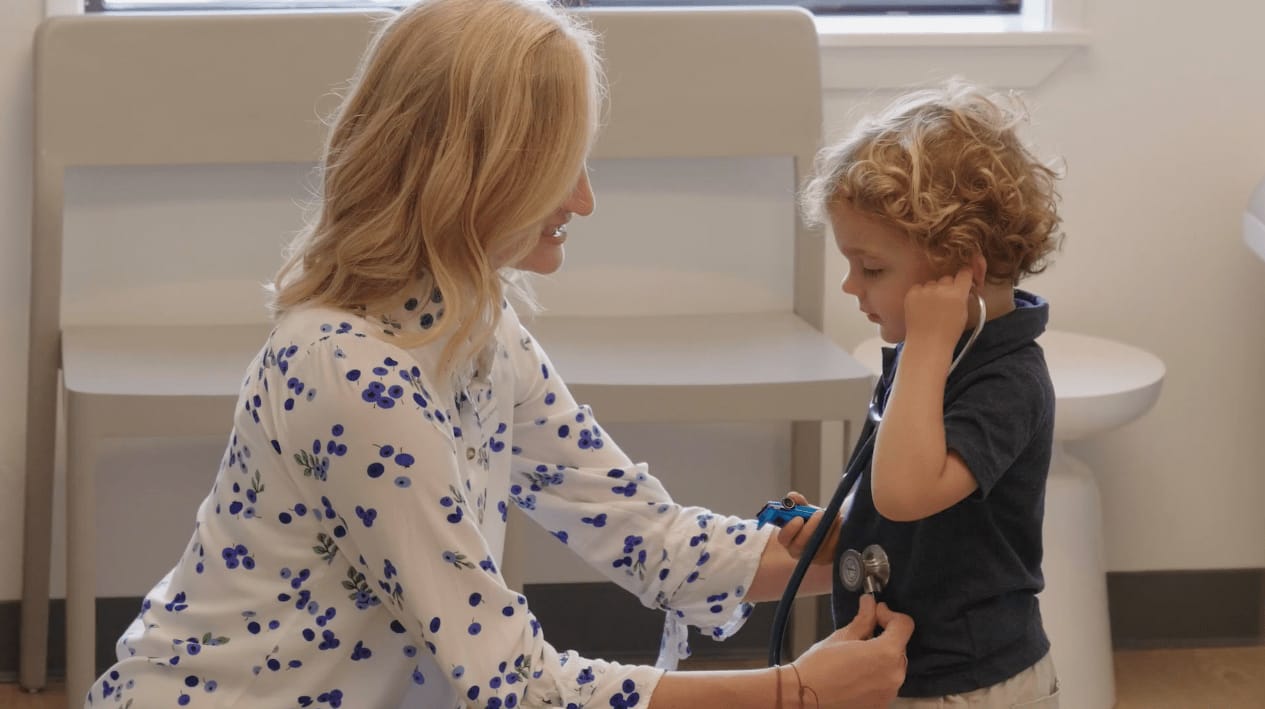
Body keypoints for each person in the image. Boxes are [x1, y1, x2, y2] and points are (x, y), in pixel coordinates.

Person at [85, 1, 913, 707]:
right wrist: (792, 691)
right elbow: (510, 684)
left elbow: (647, 537)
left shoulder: (470, 323)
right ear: (470, 174)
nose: (584, 199)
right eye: (559, 167)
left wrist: (858, 540)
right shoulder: (349, 376)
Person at [781, 80, 1064, 707]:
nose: (853, 287)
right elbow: (899, 490)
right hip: (901, 669)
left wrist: (928, 349)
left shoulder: (1007, 380)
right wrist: (844, 528)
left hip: (974, 682)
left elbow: (908, 492)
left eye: (872, 268)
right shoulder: (926, 354)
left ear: (962, 266)